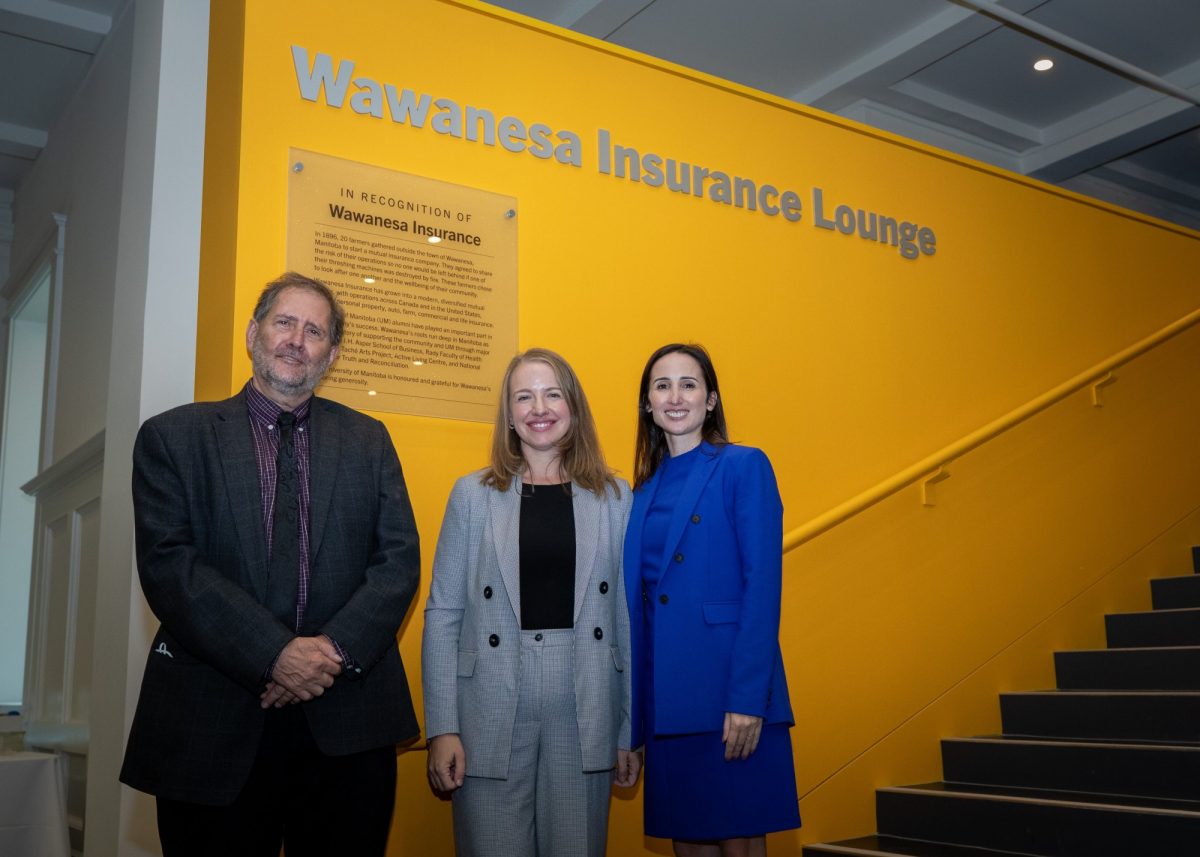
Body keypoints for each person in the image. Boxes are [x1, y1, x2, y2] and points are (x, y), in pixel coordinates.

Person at [120, 272, 421, 857]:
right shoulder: (173, 438)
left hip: (348, 723)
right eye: (285, 322)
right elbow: (170, 567)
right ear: (254, 333)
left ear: (332, 354)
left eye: (315, 331)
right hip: (213, 723)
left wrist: (327, 653)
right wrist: (275, 654)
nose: (296, 340)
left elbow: (398, 561)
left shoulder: (369, 441)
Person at [422, 348, 639, 857]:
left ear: (574, 406)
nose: (538, 407)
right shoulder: (471, 495)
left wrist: (629, 727)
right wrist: (442, 728)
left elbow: (628, 618)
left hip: (584, 701)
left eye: (551, 394)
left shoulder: (615, 497)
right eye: (524, 396)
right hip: (489, 703)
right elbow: (443, 614)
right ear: (509, 415)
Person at [624, 343, 800, 857]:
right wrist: (631, 725)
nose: (674, 396)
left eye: (688, 384)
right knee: (688, 845)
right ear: (648, 405)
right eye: (662, 386)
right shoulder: (638, 492)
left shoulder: (744, 466)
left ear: (710, 399)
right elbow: (637, 612)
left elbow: (762, 587)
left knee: (739, 843)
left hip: (729, 697)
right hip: (665, 703)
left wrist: (749, 699)